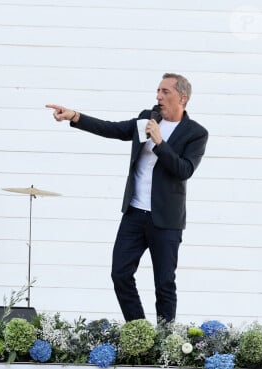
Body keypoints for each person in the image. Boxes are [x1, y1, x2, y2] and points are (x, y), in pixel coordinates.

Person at [46, 73, 208, 323]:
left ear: (182, 98)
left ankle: (165, 342)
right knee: (120, 273)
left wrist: (159, 142)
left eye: (166, 92)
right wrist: (75, 116)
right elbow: (113, 129)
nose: (158, 96)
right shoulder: (149, 117)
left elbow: (184, 170)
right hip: (134, 214)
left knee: (164, 284)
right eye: (158, 91)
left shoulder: (196, 133)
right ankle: (139, 331)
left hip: (165, 220)